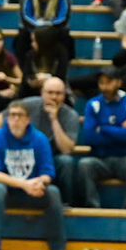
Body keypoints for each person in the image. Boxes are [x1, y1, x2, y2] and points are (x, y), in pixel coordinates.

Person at [0, 100, 66, 250]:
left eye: (19, 116)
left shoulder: (39, 139)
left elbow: (48, 173)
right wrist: (24, 184)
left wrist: (39, 183)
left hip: (24, 190)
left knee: (53, 192)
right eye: (12, 116)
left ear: (28, 120)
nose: (15, 119)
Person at [76, 67, 126, 210]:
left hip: (125, 158)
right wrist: (122, 130)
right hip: (100, 159)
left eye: (109, 82)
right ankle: (93, 209)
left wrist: (103, 128)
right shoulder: (93, 104)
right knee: (84, 164)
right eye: (101, 82)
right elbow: (89, 138)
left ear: (119, 82)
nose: (104, 87)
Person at [27, 76, 82, 208]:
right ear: (42, 93)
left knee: (66, 161)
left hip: (54, 158)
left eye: (58, 93)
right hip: (27, 155)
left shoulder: (71, 115)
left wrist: (54, 120)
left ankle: (66, 203)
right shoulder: (28, 105)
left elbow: (66, 149)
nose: (54, 97)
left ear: (64, 96)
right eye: (50, 93)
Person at [12, 0, 71, 72]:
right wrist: (41, 28)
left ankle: (61, 74)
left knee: (66, 38)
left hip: (54, 33)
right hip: (31, 32)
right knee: (21, 37)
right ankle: (24, 73)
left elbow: (62, 19)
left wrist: (46, 29)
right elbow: (26, 18)